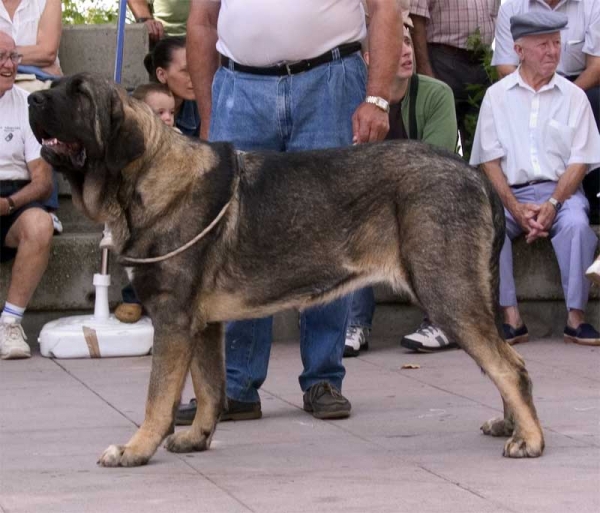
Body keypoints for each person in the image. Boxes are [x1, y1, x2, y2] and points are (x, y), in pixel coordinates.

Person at [175, 0, 402, 424]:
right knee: (234, 237)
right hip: (239, 85)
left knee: (332, 231)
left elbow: (385, 9)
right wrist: (208, 115)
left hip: (330, 80)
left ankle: (323, 378)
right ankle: (236, 386)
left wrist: (378, 98)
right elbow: (201, 22)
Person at [470, 11, 600, 347]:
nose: (553, 52)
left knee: (576, 226)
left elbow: (580, 162)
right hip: (508, 193)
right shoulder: (496, 97)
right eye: (543, 44)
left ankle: (576, 318)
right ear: (519, 50)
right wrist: (513, 207)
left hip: (563, 192)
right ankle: (511, 318)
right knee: (490, 225)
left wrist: (554, 204)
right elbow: (490, 163)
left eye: (556, 43)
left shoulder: (575, 97)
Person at [345, 12, 459, 356]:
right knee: (350, 224)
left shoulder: (437, 94)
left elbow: (435, 168)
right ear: (370, 59)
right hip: (376, 204)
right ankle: (353, 324)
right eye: (396, 45)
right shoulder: (354, 100)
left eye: (408, 42)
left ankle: (442, 321)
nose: (407, 52)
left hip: (426, 198)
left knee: (429, 220)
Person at [492, 0, 600, 224]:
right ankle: (522, 194)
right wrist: (535, 93)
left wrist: (560, 95)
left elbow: (597, 66)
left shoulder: (592, 5)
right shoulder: (512, 7)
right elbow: (504, 66)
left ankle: (595, 193)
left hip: (579, 83)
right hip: (525, 82)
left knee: (595, 100)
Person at [0, 31, 54, 359]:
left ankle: (9, 323)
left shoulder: (25, 104)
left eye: (13, 57)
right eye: (1, 58)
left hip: (13, 200)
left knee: (40, 224)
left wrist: (9, 204)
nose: (9, 65)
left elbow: (43, 180)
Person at [0, 0, 63, 232]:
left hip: (37, 80)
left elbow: (47, 51)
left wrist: (10, 58)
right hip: (16, 73)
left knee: (35, 99)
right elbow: (40, 54)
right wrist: (18, 56)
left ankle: (47, 206)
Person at [408, 0, 501, 157]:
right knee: (442, 147)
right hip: (443, 61)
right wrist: (424, 68)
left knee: (485, 144)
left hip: (483, 62)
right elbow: (417, 17)